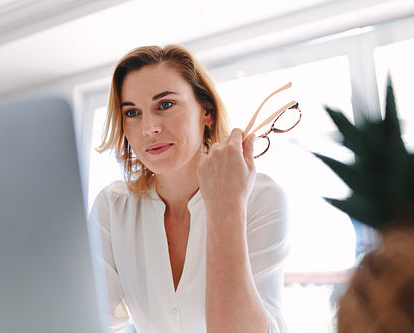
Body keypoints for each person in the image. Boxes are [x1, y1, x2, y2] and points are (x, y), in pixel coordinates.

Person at [89, 44, 288, 333]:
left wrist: (226, 206)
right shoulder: (112, 207)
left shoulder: (260, 197)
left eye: (165, 105)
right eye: (132, 112)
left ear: (206, 111)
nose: (149, 128)